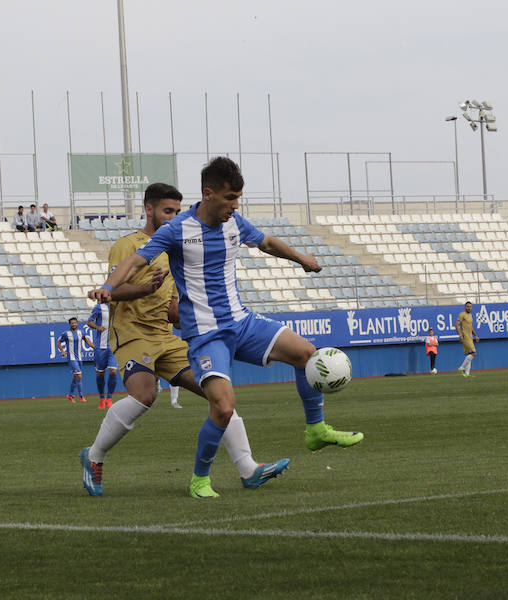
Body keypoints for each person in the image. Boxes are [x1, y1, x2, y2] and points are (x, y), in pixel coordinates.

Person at [89, 157, 363, 499]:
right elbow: (134, 261)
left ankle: (316, 429)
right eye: (230, 198)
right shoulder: (178, 231)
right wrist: (110, 287)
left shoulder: (235, 223)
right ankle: (200, 479)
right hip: (206, 335)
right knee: (223, 406)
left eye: (238, 198)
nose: (235, 205)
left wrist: (301, 258)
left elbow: (265, 241)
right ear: (208, 194)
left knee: (307, 354)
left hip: (242, 322)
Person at [80, 182, 289, 496]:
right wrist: (145, 289)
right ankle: (94, 456)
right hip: (133, 335)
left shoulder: (176, 246)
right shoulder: (129, 246)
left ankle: (248, 468)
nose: (174, 216)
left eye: (177, 211)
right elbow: (112, 291)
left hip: (166, 337)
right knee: (145, 395)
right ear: (149, 209)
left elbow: (173, 307)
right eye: (167, 210)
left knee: (219, 397)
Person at [86, 302, 119, 409]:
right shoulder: (99, 307)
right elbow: (89, 322)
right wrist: (98, 327)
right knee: (100, 373)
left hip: (113, 346)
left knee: (113, 370)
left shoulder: (118, 306)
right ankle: (101, 398)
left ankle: (109, 398)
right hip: (100, 346)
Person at [58, 317, 95, 403]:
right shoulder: (66, 334)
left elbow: (87, 341)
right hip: (71, 358)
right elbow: (58, 343)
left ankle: (70, 395)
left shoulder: (81, 332)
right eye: (72, 323)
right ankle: (81, 396)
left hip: (79, 358)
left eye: (75, 323)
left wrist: (95, 348)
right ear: (70, 324)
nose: (74, 324)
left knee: (76, 377)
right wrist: (63, 351)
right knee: (79, 376)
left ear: (77, 323)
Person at [455, 301, 479, 377]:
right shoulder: (462, 315)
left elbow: (471, 327)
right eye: (467, 306)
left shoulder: (470, 315)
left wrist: (475, 335)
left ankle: (467, 374)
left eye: (470, 306)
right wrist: (460, 335)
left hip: (470, 337)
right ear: (465, 307)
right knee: (473, 353)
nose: (469, 308)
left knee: (469, 354)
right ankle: (462, 367)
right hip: (465, 337)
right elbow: (456, 325)